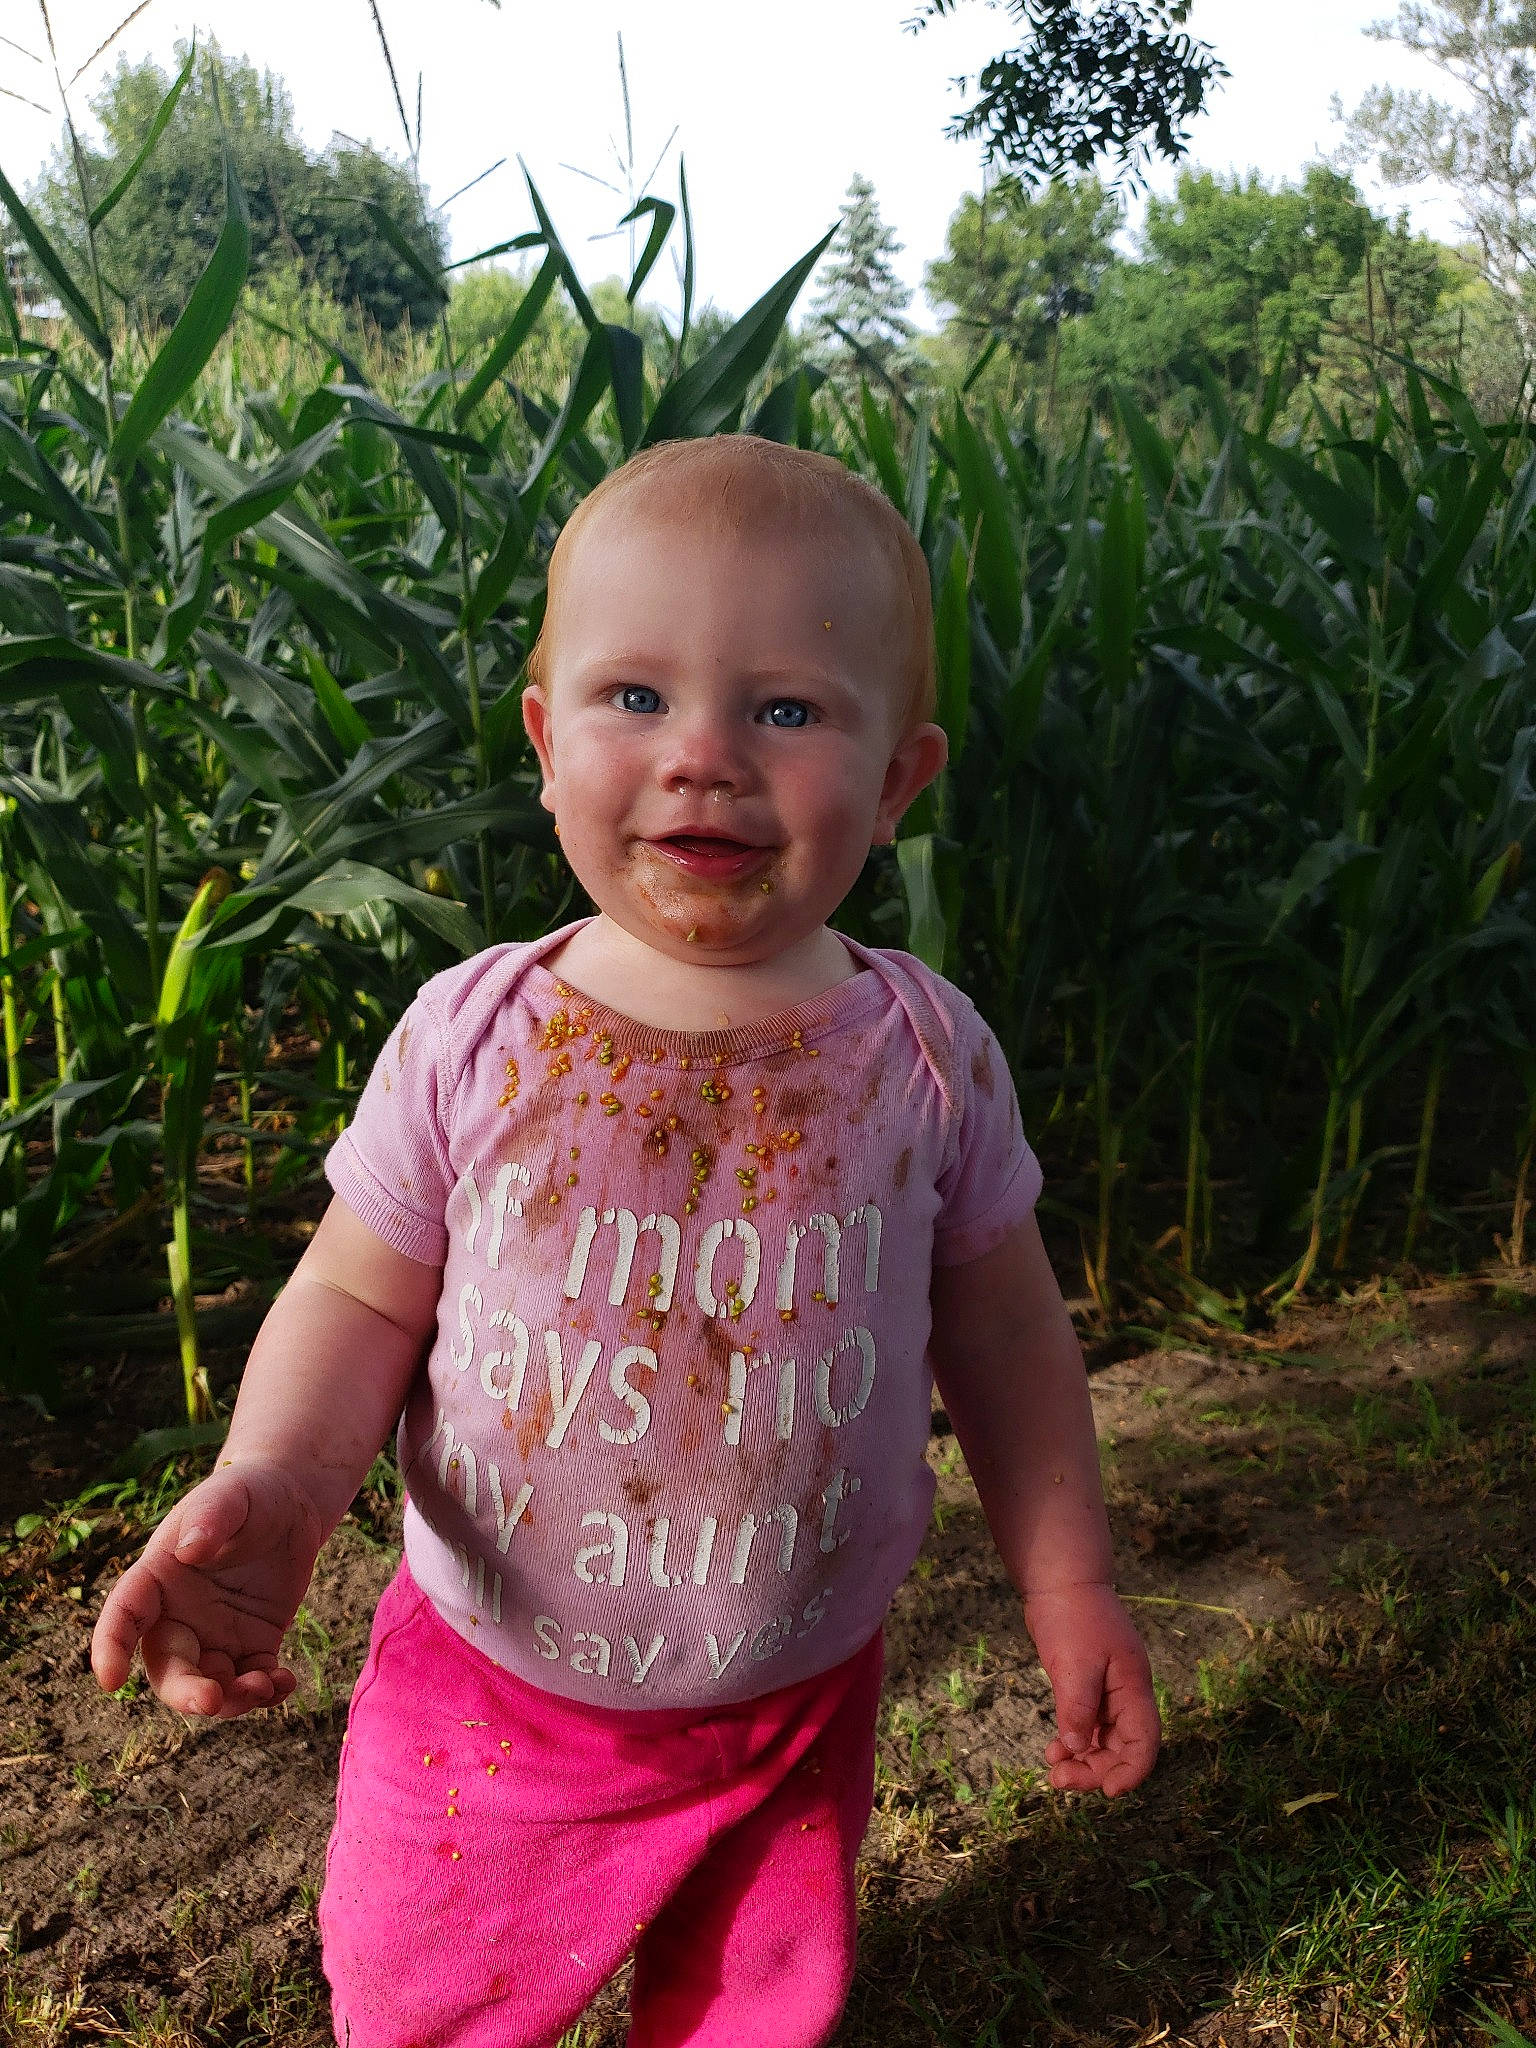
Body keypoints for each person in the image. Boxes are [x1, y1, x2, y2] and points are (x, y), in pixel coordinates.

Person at [91, 435, 1160, 2048]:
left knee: (752, 2008)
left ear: (899, 782)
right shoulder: (478, 1034)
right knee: (425, 2001)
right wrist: (286, 1490)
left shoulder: (926, 1055)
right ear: (543, 740)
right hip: (495, 1690)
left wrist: (1069, 1580)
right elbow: (357, 1292)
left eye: (787, 710)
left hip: (794, 1696)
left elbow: (1006, 1334)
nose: (704, 758)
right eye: (636, 699)